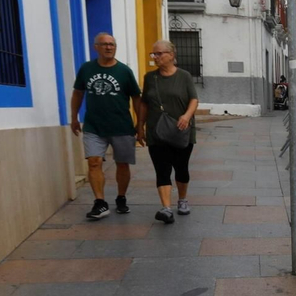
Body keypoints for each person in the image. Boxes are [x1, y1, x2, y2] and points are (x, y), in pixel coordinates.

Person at [70, 33, 145, 220]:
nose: (109, 47)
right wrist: (74, 117)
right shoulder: (86, 69)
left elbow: (136, 98)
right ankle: (100, 202)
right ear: (96, 47)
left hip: (122, 126)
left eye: (112, 44)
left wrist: (140, 125)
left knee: (122, 164)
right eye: (104, 44)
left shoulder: (124, 71)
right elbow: (78, 93)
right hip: (94, 126)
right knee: (94, 162)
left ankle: (121, 197)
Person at [142, 40, 199, 225]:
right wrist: (139, 126)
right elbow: (144, 103)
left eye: (159, 54)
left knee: (181, 168)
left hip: (181, 131)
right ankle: (166, 208)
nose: (156, 57)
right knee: (162, 169)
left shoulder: (184, 76)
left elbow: (194, 99)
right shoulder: (150, 78)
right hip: (156, 132)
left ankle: (182, 199)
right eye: (154, 54)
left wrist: (187, 116)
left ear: (172, 55)